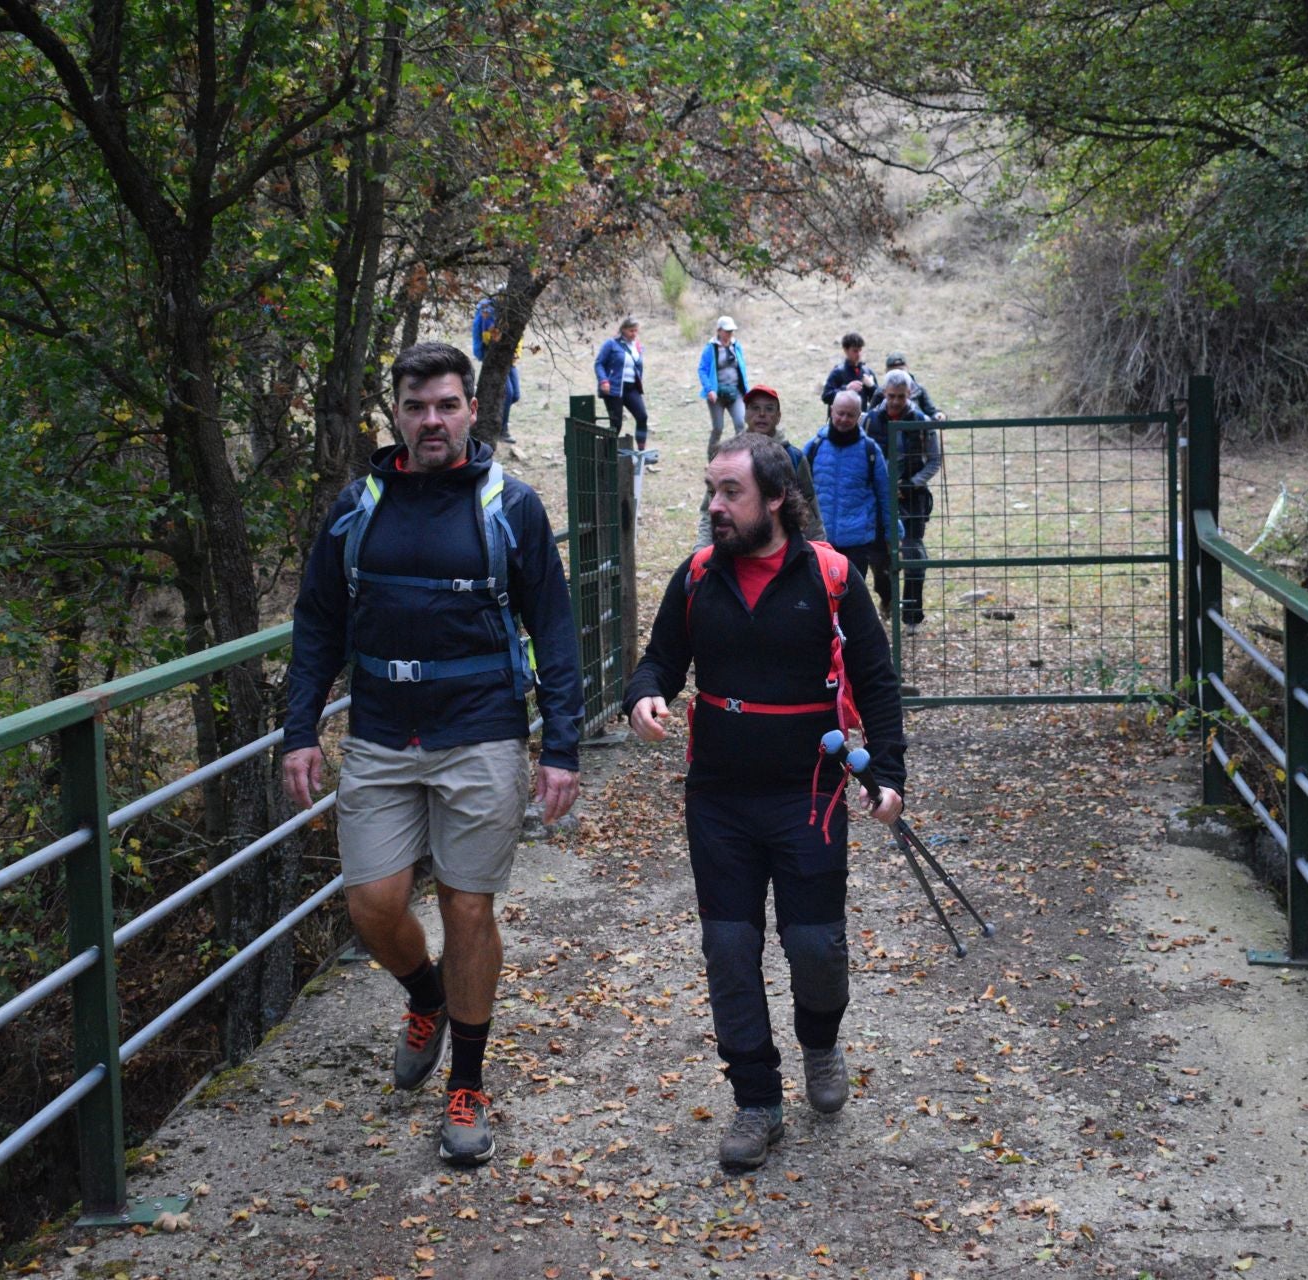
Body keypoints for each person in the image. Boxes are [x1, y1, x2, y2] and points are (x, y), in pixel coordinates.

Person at [282, 342, 583, 1168]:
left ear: (472, 410)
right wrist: (300, 730)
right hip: (382, 734)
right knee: (372, 905)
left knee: (467, 908)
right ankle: (427, 996)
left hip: (481, 733)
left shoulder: (509, 506)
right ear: (397, 414)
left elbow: (554, 630)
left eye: (447, 405)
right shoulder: (358, 508)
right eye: (416, 408)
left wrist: (561, 744)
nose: (432, 421)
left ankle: (468, 1086)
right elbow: (317, 625)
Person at [625, 432, 906, 1172]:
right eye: (711, 490)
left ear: (777, 498)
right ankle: (756, 1101)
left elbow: (876, 682)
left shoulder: (832, 578)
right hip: (718, 798)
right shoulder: (696, 577)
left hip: (808, 794)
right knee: (728, 948)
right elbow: (659, 659)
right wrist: (645, 695)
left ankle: (820, 1040)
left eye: (732, 492)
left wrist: (888, 774)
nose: (716, 506)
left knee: (815, 946)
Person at [693, 384, 825, 548]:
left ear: (778, 416)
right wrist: (701, 549)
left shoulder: (794, 457)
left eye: (769, 409)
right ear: (745, 413)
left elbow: (809, 507)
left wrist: (819, 547)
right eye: (755, 408)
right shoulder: (728, 457)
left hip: (781, 550)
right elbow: (710, 509)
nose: (762, 414)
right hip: (735, 546)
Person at [805, 390, 899, 617]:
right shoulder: (814, 446)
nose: (844, 419)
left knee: (850, 599)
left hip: (857, 541)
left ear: (859, 416)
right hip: (820, 540)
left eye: (850, 415)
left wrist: (893, 533)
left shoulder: (870, 450)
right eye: (840, 413)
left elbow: (885, 494)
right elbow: (798, 489)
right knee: (819, 596)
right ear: (831, 411)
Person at [862, 370, 942, 625]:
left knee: (914, 557)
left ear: (910, 394)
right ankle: (887, 599)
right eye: (891, 396)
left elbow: (934, 460)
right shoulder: (869, 421)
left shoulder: (922, 422)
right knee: (879, 560)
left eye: (901, 396)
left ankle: (911, 615)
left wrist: (911, 484)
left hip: (912, 499)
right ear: (884, 393)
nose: (895, 401)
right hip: (877, 500)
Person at [696, 315, 749, 458]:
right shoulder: (711, 348)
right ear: (719, 331)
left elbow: (742, 369)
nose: (730, 334)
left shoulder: (736, 346)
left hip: (735, 392)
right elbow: (702, 370)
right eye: (727, 331)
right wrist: (709, 389)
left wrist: (746, 391)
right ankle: (712, 458)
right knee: (718, 428)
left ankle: (740, 459)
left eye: (731, 331)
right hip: (716, 395)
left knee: (740, 424)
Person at [595, 317, 649, 452]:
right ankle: (607, 453)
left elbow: (638, 367)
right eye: (631, 331)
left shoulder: (637, 347)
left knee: (642, 416)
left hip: (631, 388)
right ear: (623, 329)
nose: (634, 334)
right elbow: (599, 364)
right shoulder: (611, 344)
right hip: (613, 388)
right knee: (616, 423)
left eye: (636, 331)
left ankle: (641, 451)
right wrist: (603, 380)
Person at [472, 294, 521, 443]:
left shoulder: (516, 311)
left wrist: (516, 352)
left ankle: (496, 420)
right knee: (508, 393)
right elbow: (488, 337)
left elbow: (519, 336)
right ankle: (501, 430)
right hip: (495, 357)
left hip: (510, 358)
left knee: (515, 395)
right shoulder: (488, 311)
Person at [867, 352, 944, 419]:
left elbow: (931, 412)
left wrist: (939, 415)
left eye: (901, 370)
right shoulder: (880, 393)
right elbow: (871, 417)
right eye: (891, 396)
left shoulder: (919, 390)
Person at [819, 333, 877, 418]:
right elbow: (826, 397)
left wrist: (872, 387)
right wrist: (846, 389)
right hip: (840, 421)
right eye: (855, 351)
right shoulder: (837, 372)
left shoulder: (867, 372)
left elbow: (878, 400)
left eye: (860, 350)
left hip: (860, 421)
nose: (859, 354)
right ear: (846, 350)